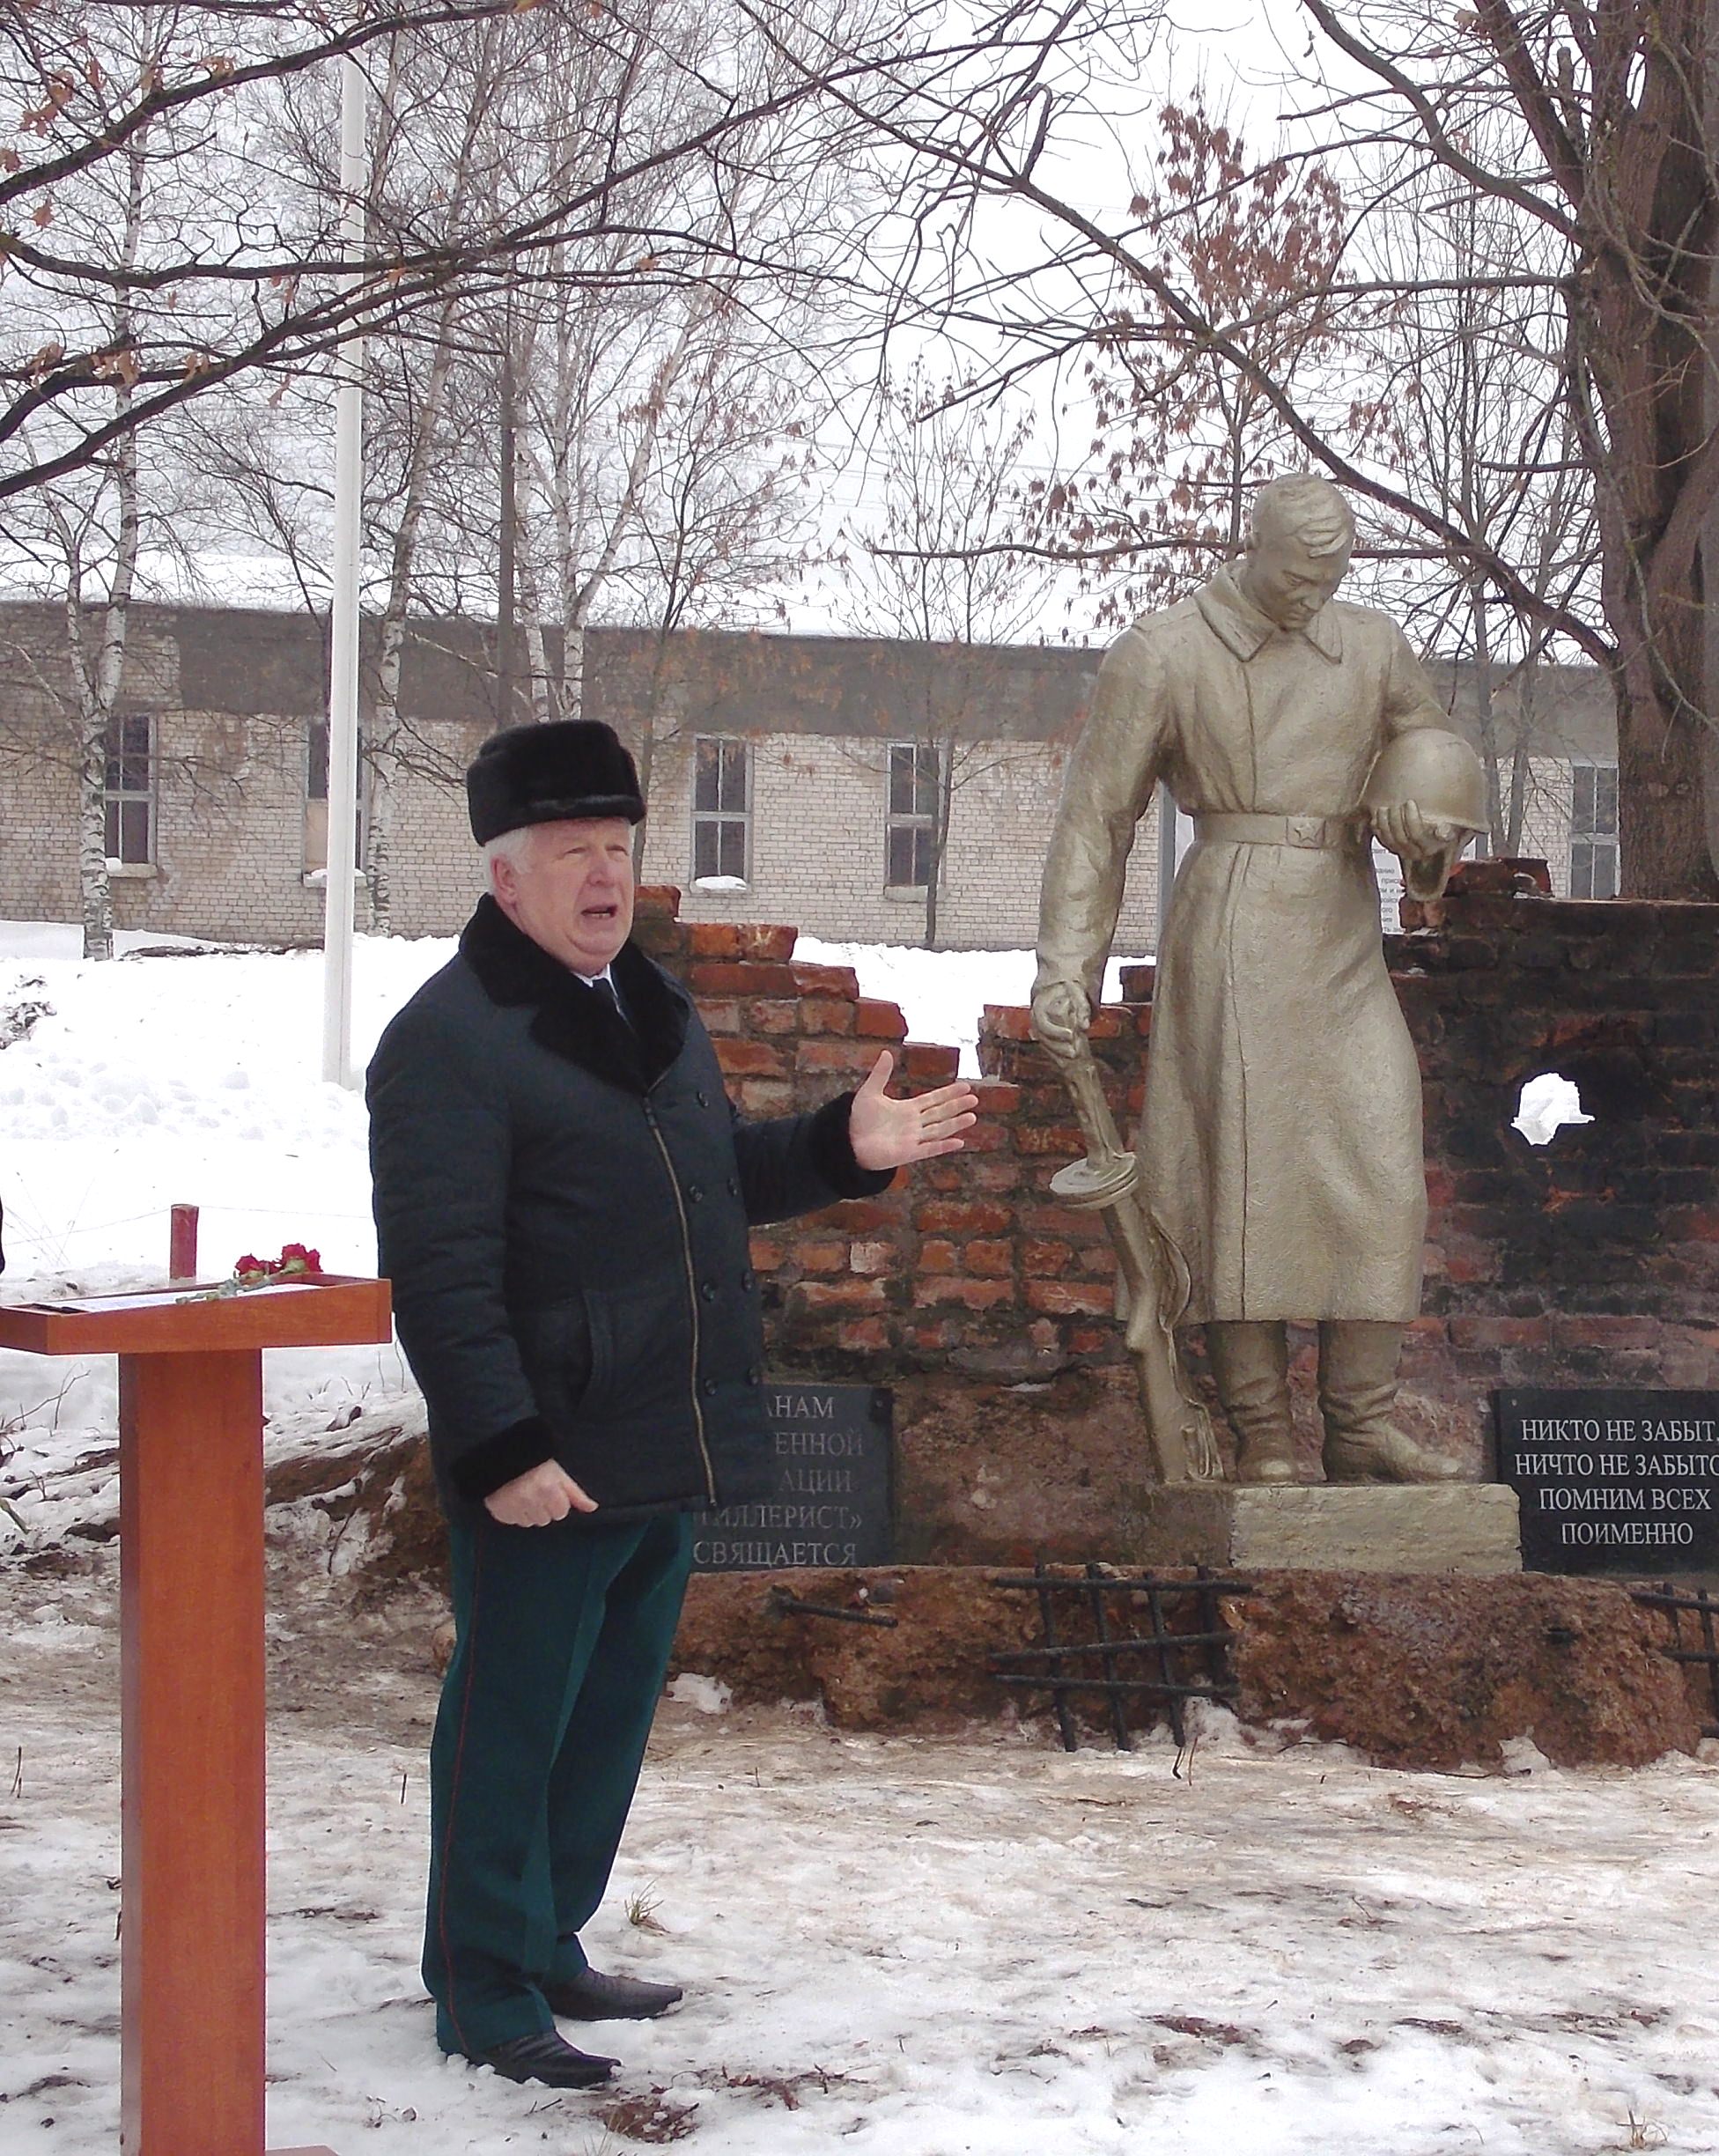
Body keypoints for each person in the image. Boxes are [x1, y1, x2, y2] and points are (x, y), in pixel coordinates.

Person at [367, 719, 977, 2089]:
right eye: (572, 852)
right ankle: (479, 1980)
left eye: (621, 849)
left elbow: (719, 1175)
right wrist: (503, 1446)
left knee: (604, 1717)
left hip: (664, 1431)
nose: (604, 876)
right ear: (502, 877)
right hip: (552, 1449)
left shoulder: (647, 1006)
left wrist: (841, 1148)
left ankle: (549, 1938)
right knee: (512, 1718)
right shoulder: (448, 1042)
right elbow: (440, 1277)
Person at [1031, 473, 1474, 1484]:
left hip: (1342, 930)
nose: (1312, 595)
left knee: (1378, 1156)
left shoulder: (1371, 647)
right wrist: (1068, 965)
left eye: (1330, 576)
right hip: (1231, 921)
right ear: (1254, 548)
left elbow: (1432, 758)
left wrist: (1421, 837)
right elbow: (1097, 815)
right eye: (1295, 575)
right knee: (1244, 1175)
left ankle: (1361, 1424)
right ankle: (1263, 1434)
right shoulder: (1169, 649)